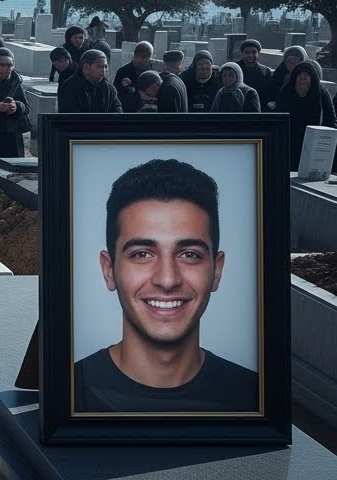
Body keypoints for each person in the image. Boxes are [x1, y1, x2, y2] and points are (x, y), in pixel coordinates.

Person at [75, 159, 256, 412]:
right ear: (109, 270)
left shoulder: (255, 397)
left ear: (217, 271)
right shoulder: (67, 394)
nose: (168, 280)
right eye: (142, 254)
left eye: (189, 254)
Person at [275, 60, 336, 171]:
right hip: (290, 140)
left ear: (312, 77)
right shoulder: (286, 91)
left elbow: (330, 118)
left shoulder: (321, 93)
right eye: (299, 75)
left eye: (306, 75)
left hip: (315, 141)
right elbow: (278, 116)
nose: (302, 78)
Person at [58, 50, 123, 114]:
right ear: (86, 67)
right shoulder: (69, 88)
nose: (104, 70)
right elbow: (69, 117)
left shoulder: (109, 89)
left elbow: (117, 114)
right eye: (100, 66)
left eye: (105, 67)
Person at [114, 42, 155, 114]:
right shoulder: (123, 71)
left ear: (149, 58)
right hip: (128, 112)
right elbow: (115, 94)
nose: (139, 60)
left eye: (144, 57)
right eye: (137, 56)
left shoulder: (153, 72)